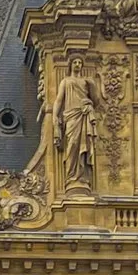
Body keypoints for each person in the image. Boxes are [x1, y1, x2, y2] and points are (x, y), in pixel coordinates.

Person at [52, 56, 101, 189]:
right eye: (75, 62)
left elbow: (96, 102)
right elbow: (58, 100)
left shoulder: (86, 82)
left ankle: (82, 176)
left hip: (84, 114)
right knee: (72, 143)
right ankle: (72, 176)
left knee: (84, 145)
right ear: (70, 65)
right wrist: (55, 116)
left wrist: (93, 86)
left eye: (80, 62)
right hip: (71, 116)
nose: (78, 64)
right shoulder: (65, 81)